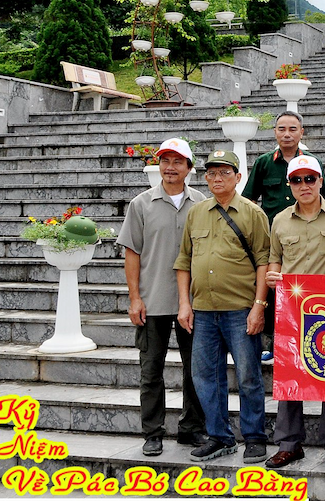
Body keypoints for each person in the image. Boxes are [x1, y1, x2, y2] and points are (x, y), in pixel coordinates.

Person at [174, 149, 271, 464]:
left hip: (240, 309)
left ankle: (254, 437)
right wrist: (184, 304)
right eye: (212, 173)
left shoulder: (252, 213)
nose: (217, 178)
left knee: (248, 376)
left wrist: (259, 306)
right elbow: (184, 261)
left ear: (238, 177)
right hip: (202, 310)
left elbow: (262, 262)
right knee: (205, 376)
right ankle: (219, 436)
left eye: (224, 173)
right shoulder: (197, 212)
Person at [118, 137, 207, 457]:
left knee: (195, 369)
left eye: (177, 162)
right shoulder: (141, 204)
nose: (170, 168)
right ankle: (152, 432)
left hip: (192, 302)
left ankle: (191, 427)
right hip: (152, 300)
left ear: (189, 168)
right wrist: (134, 298)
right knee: (151, 369)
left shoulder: (202, 203)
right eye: (165, 161)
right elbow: (132, 253)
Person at [263, 155, 325, 469]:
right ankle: (289, 444)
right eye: (297, 180)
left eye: (310, 179)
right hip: (291, 311)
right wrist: (273, 278)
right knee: (289, 379)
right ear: (289, 185)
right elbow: (275, 259)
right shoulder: (280, 220)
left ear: (320, 181)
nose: (304, 186)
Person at [243, 110, 325, 362]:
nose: (287, 134)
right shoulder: (264, 162)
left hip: (308, 235)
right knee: (271, 290)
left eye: (293, 129)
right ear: (275, 132)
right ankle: (273, 341)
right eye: (282, 129)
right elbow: (249, 199)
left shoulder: (312, 162)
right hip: (274, 237)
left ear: (302, 132)